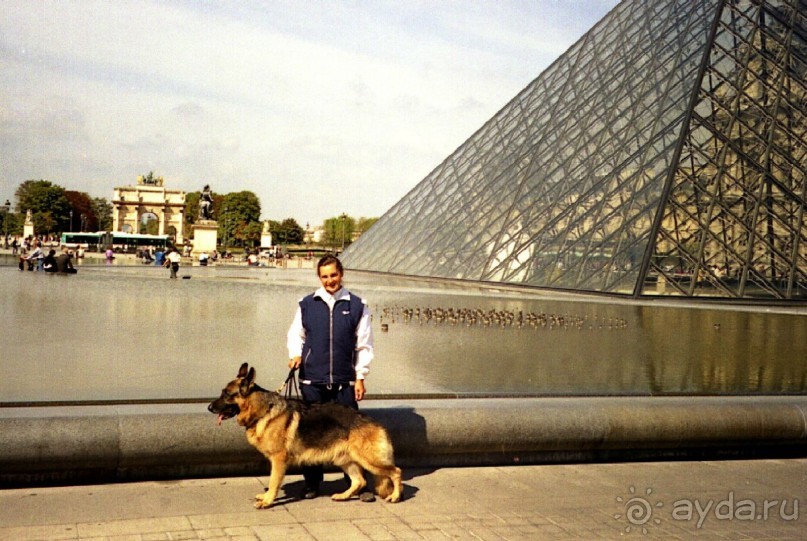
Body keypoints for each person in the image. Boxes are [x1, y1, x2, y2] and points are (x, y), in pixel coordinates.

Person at [286, 254, 375, 501]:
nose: (329, 281)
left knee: (352, 435)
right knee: (310, 436)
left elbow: (364, 345)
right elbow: (296, 335)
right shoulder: (306, 304)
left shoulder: (357, 305)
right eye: (324, 276)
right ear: (319, 277)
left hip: (344, 382)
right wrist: (295, 355)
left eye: (333, 275)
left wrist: (360, 377)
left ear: (341, 274)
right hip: (312, 380)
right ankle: (312, 484)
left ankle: (358, 484)